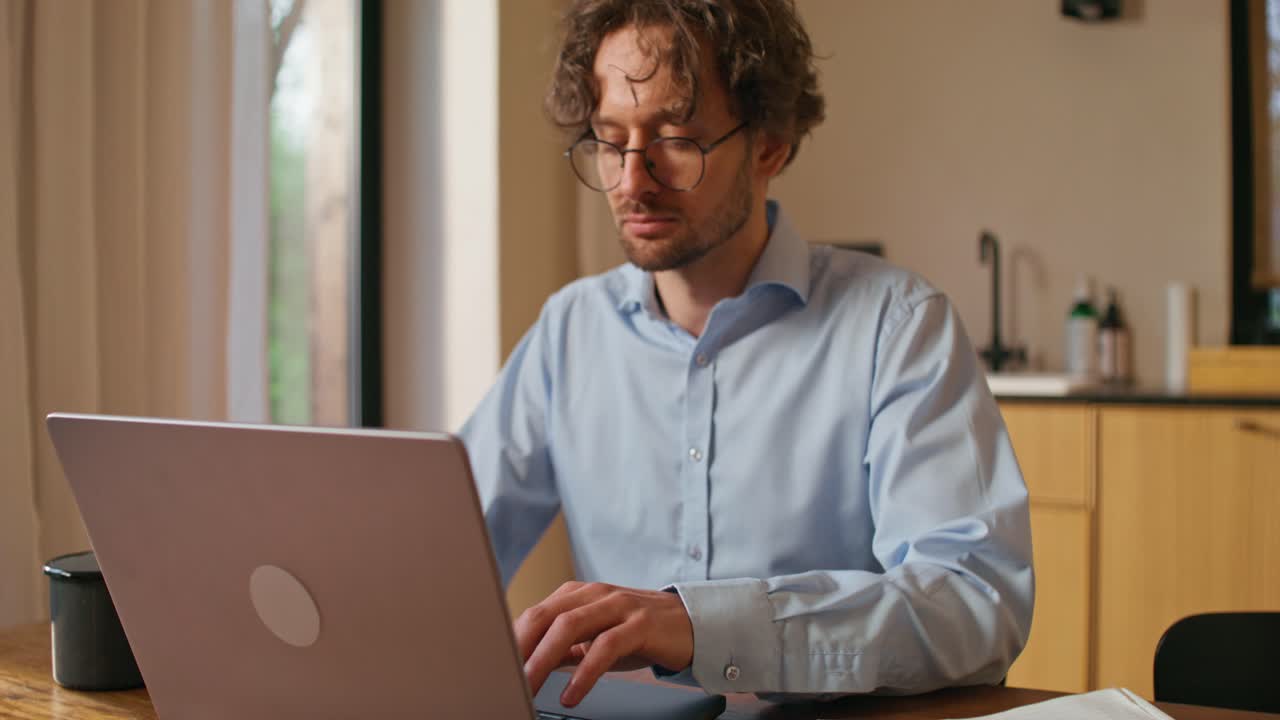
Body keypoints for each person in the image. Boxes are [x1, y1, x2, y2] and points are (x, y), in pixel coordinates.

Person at [459, 0, 1033, 708]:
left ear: (770, 144)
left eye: (675, 140)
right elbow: (439, 557)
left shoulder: (897, 326)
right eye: (610, 142)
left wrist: (701, 625)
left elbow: (976, 606)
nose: (632, 181)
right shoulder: (569, 330)